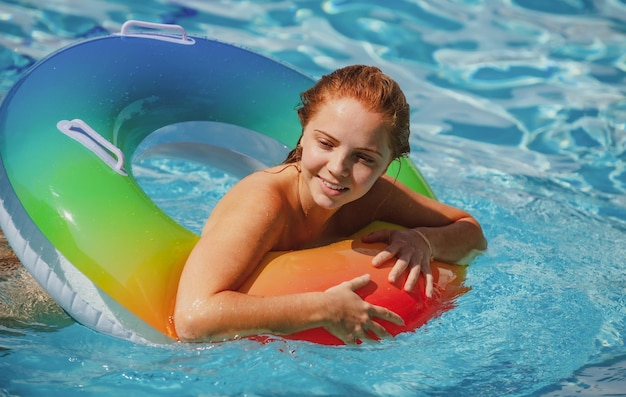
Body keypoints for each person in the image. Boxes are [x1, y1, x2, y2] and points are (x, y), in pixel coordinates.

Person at [174, 65, 487, 344]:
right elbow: (192, 320)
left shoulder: (375, 197)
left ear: (388, 163)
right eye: (325, 143)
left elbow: (471, 233)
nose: (338, 167)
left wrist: (425, 241)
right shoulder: (263, 204)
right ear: (302, 132)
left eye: (364, 157)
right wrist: (322, 308)